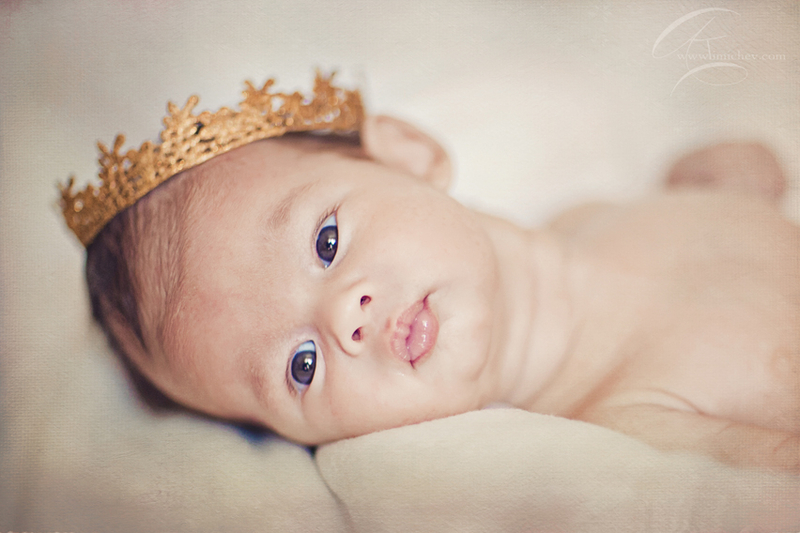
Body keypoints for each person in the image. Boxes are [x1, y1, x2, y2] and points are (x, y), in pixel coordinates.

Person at [62, 74, 799, 473]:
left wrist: (721, 182)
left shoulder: (595, 214)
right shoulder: (629, 423)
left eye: (326, 242)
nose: (343, 318)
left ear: (409, 153)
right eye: (301, 366)